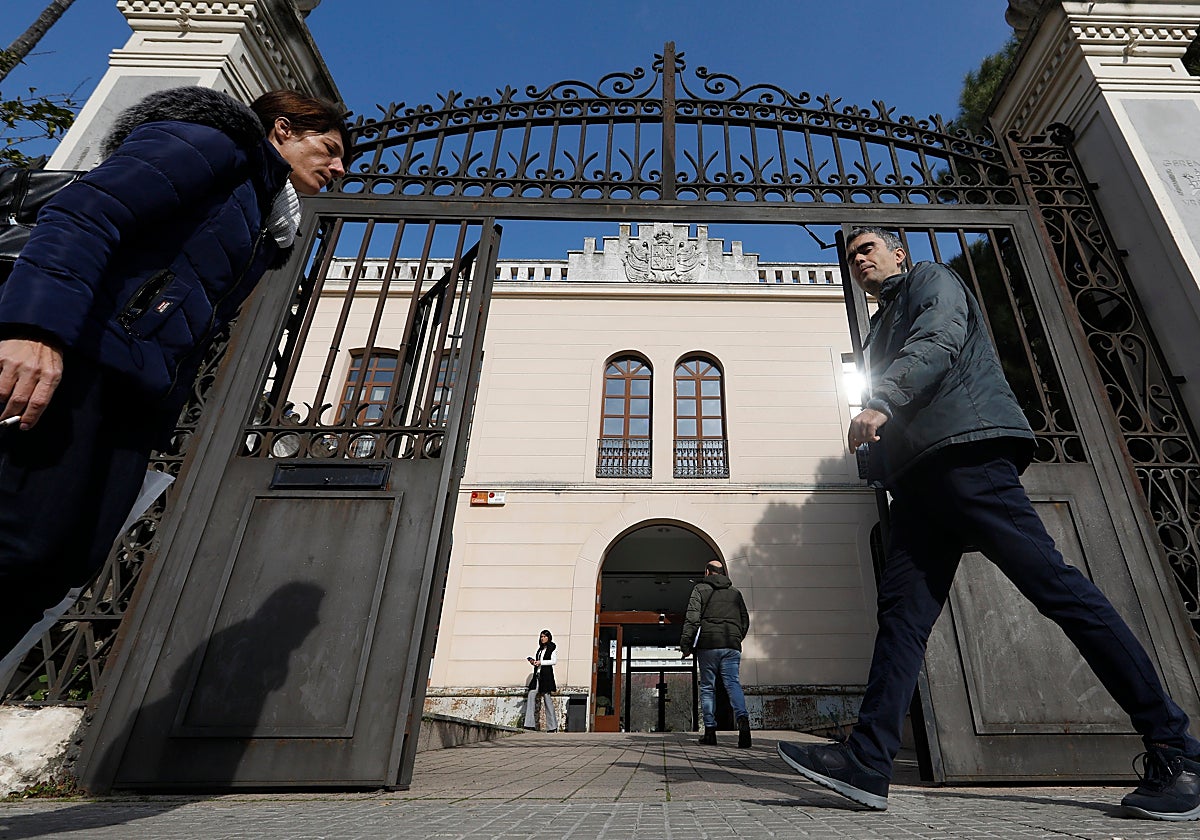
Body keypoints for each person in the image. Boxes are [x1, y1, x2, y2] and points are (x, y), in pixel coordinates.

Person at [776, 227, 1200, 820]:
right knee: (901, 619)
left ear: (899, 252)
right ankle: (867, 762)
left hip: (966, 458)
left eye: (867, 248)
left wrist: (881, 400)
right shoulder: (879, 326)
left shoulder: (932, 280)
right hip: (919, 483)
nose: (858, 259)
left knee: (1059, 592)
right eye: (851, 256)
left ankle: (1177, 751)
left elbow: (940, 338)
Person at [0, 86, 350, 659]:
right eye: (330, 149)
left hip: (133, 399)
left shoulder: (264, 218)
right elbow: (86, 213)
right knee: (19, 544)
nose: (339, 169)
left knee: (62, 566)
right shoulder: (214, 144)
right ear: (283, 129)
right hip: (80, 364)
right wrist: (34, 329)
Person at [680, 558, 751, 748]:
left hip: (708, 645)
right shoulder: (735, 593)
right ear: (722, 573)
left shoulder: (700, 590)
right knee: (733, 683)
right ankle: (743, 721)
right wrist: (736, 638)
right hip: (731, 645)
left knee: (707, 687)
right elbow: (745, 620)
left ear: (707, 572)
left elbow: (692, 619)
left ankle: (710, 731)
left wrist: (686, 646)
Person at [523, 629, 559, 732]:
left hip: (546, 677)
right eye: (541, 636)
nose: (543, 638)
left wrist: (541, 662)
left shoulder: (552, 647)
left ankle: (552, 726)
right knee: (531, 695)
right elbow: (539, 662)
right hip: (537, 676)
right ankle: (529, 724)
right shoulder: (540, 649)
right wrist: (534, 662)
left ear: (548, 637)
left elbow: (554, 661)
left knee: (547, 699)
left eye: (544, 636)